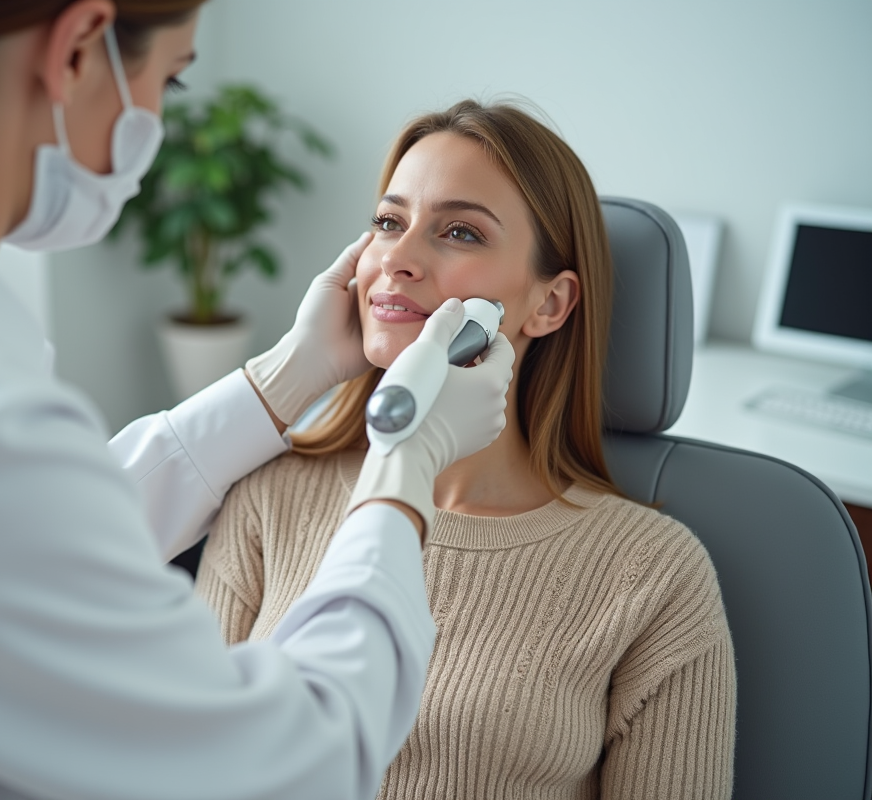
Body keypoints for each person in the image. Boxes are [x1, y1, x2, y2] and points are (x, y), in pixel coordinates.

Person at [0, 3, 518, 799]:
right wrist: (404, 463)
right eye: (171, 79)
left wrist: (285, 380)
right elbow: (297, 764)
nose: (399, 259)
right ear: (79, 47)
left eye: (459, 230)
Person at [196, 99, 738, 799]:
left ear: (549, 304)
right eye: (388, 223)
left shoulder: (653, 574)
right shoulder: (269, 495)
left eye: (458, 231)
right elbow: (183, 759)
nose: (398, 258)